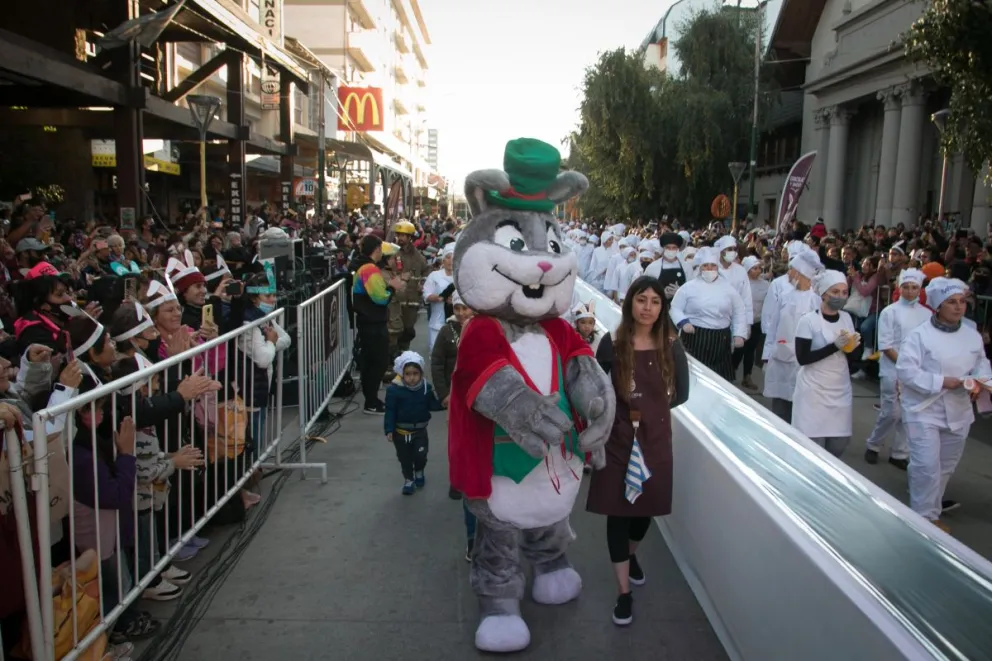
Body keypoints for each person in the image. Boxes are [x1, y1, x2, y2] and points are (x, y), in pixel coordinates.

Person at [587, 276, 689, 627]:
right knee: (618, 512)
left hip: (655, 439)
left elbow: (683, 394)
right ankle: (623, 594)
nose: (648, 307)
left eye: (655, 301)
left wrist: (652, 415)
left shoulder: (672, 346)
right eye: (641, 300)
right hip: (617, 439)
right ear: (630, 302)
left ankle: (630, 556)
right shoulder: (611, 344)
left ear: (663, 307)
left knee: (645, 509)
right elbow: (597, 392)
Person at [897, 277, 992, 532]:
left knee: (944, 467)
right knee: (926, 465)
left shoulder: (972, 335)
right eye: (951, 302)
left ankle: (931, 508)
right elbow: (906, 371)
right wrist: (941, 381)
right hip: (923, 410)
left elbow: (982, 362)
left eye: (961, 302)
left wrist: (982, 382)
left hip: (959, 411)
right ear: (938, 306)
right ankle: (923, 519)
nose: (959, 307)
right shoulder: (920, 336)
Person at [864, 268, 930, 469]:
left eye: (914, 288)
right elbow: (886, 345)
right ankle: (874, 444)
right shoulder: (889, 312)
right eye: (906, 287)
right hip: (892, 368)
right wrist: (904, 366)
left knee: (910, 413)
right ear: (899, 288)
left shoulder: (927, 315)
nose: (910, 291)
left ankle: (900, 453)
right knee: (891, 412)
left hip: (917, 370)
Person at [791, 270, 861, 457]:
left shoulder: (846, 319)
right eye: (835, 292)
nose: (840, 297)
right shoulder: (808, 321)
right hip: (813, 392)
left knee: (838, 444)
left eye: (844, 292)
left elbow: (851, 358)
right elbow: (803, 358)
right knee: (812, 448)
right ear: (823, 294)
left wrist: (853, 348)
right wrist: (835, 346)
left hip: (839, 389)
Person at [762, 250, 824, 422]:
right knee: (780, 405)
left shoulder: (815, 301)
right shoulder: (785, 296)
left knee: (800, 405)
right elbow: (773, 328)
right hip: (780, 356)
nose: (788, 274)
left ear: (801, 274)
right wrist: (767, 354)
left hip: (803, 362)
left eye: (792, 270)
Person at [669, 247, 746, 380]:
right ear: (700, 268)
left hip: (721, 340)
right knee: (692, 376)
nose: (709, 269)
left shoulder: (728, 289)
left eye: (712, 266)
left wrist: (739, 334)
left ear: (717, 268)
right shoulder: (688, 287)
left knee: (719, 379)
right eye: (705, 266)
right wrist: (683, 322)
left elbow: (739, 311)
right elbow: (675, 308)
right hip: (695, 336)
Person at [351, 235, 404, 414]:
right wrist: (393, 287)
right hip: (372, 322)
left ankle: (371, 399)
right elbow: (380, 298)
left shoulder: (365, 267)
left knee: (372, 361)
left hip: (370, 321)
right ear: (376, 250)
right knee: (378, 362)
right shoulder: (369, 269)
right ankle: (371, 402)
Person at [384, 350, 443, 495]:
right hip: (400, 432)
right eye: (408, 374)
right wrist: (389, 429)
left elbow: (432, 405)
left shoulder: (425, 389)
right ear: (401, 374)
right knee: (404, 458)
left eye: (415, 374)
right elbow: (390, 411)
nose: (411, 378)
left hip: (420, 432)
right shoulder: (394, 391)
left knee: (420, 456)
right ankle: (409, 480)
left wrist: (445, 403)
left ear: (421, 374)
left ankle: (419, 470)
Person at [738, 256, 769, 390]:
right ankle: (731, 371)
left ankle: (747, 376)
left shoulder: (765, 285)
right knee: (739, 350)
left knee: (751, 350)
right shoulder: (742, 284)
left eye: (758, 268)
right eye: (754, 268)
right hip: (742, 321)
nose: (757, 271)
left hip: (757, 321)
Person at [423, 243, 455, 352]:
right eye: (448, 257)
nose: (450, 261)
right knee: (436, 353)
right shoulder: (434, 276)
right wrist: (440, 298)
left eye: (453, 258)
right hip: (437, 322)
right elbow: (427, 295)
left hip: (457, 322)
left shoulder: (461, 276)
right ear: (443, 260)